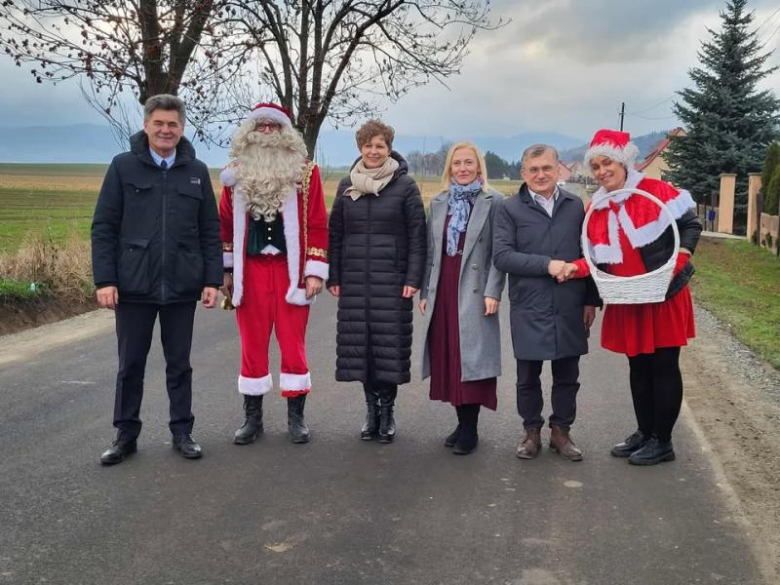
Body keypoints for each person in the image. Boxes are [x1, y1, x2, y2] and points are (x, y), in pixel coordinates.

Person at [92, 94, 222, 465]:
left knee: (179, 364)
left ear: (182, 128)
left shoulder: (196, 171)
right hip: (134, 285)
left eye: (173, 125)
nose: (166, 130)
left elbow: (209, 231)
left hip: (181, 285)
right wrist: (105, 280)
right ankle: (125, 435)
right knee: (130, 364)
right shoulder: (122, 168)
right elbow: (104, 228)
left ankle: (182, 431)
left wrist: (211, 280)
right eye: (159, 124)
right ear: (147, 125)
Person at [561, 129, 702, 466]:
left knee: (664, 366)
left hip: (662, 295)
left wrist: (678, 261)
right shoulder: (598, 204)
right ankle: (645, 431)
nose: (601, 171)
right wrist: (571, 269)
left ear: (623, 161)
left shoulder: (655, 191)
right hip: (626, 297)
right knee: (638, 366)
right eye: (595, 166)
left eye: (607, 162)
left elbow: (691, 226)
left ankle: (663, 441)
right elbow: (595, 259)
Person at [219, 103, 328, 445]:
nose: (266, 133)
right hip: (250, 270)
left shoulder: (306, 174)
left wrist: (314, 272)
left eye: (273, 127)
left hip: (289, 270)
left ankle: (296, 418)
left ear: (285, 133)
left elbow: (319, 224)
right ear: (249, 133)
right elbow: (224, 225)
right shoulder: (234, 174)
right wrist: (226, 270)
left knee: (292, 344)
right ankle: (253, 419)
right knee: (252, 344)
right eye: (260, 127)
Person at [493, 144, 599, 461]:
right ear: (523, 173)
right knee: (528, 376)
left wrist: (590, 300)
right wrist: (547, 265)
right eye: (533, 169)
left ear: (558, 169)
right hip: (530, 304)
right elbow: (502, 256)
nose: (540, 175)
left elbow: (589, 255)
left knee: (567, 375)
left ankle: (561, 432)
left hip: (570, 303)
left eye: (546, 168)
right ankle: (531, 433)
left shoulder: (575, 206)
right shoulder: (509, 209)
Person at [327, 119, 426, 444]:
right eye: (368, 145)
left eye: (379, 145)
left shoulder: (405, 186)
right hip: (355, 281)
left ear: (389, 148)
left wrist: (413, 278)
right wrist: (334, 275)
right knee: (361, 350)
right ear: (360, 148)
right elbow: (336, 234)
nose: (373, 151)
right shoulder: (346, 185)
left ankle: (388, 412)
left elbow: (417, 236)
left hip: (392, 282)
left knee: (388, 349)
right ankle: (370, 411)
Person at [418, 141, 506, 455]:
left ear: (479, 167)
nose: (463, 169)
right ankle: (460, 421)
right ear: (450, 168)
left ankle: (471, 429)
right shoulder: (440, 202)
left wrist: (493, 291)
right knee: (449, 357)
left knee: (470, 357)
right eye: (457, 164)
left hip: (474, 289)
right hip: (443, 288)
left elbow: (499, 253)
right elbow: (431, 252)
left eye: (469, 163)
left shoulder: (495, 201)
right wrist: (426, 290)